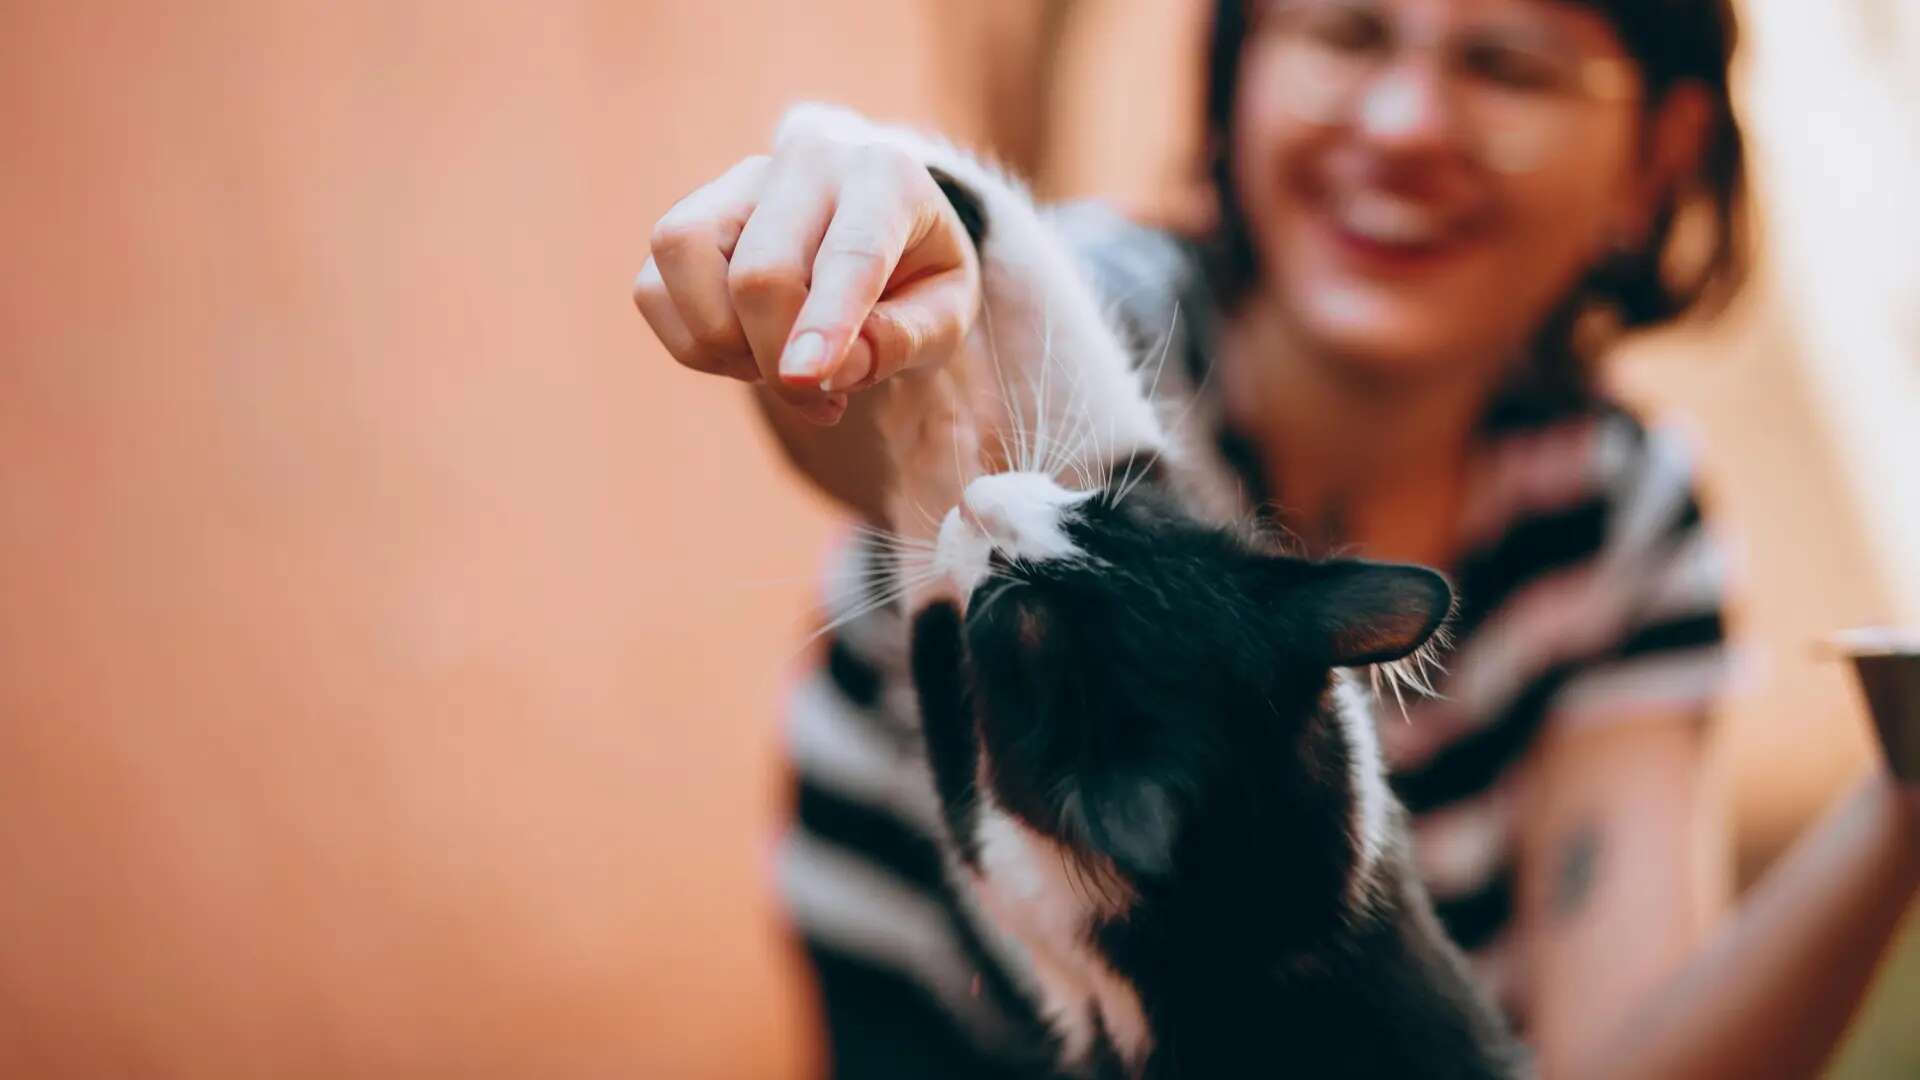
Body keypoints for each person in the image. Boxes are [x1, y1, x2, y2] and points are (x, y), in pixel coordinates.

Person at [636, 2, 1917, 1076]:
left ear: (1657, 155)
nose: (1407, 124)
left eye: (1506, 64)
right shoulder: (1098, 312)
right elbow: (900, 419)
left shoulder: (1619, 512)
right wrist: (853, 243)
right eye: (1349, 32)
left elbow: (1621, 1056)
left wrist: (1908, 786)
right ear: (1239, 70)